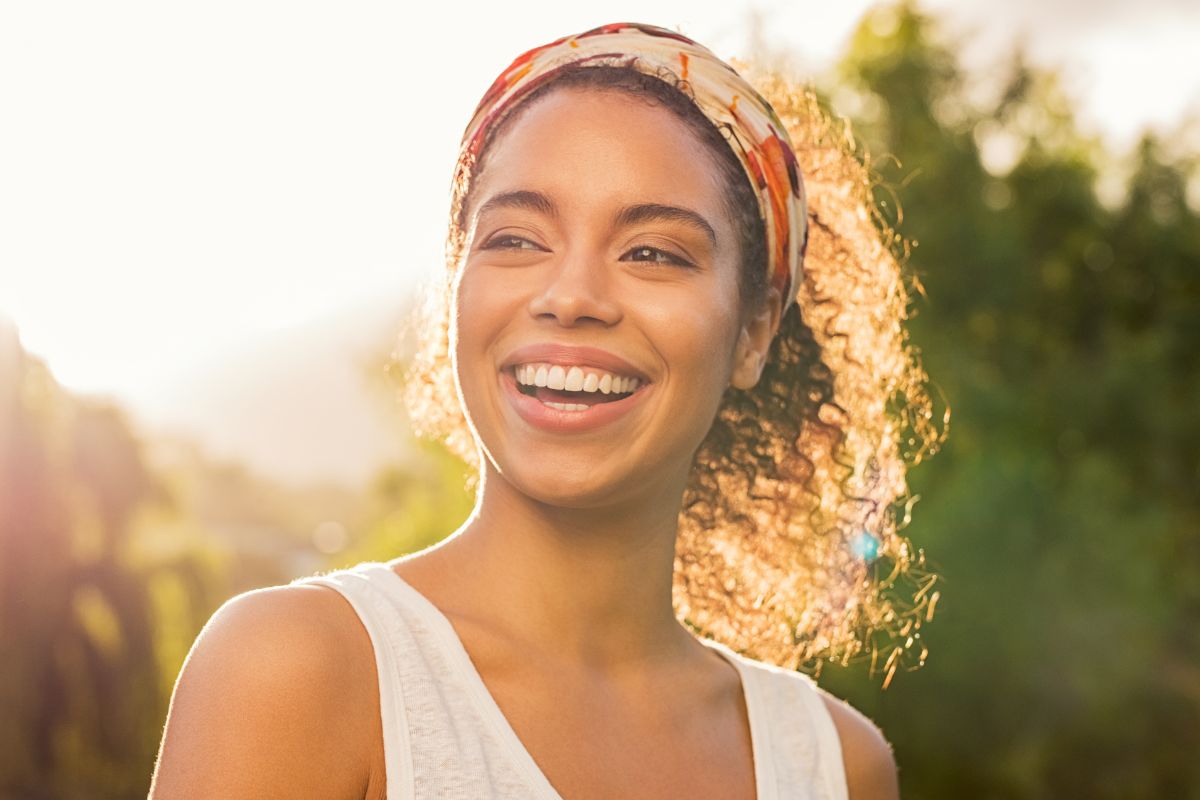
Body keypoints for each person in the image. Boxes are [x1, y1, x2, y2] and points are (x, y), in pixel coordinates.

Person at [150, 21, 941, 800]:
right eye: (517, 240)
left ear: (754, 331)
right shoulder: (296, 671)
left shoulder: (835, 766)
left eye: (653, 252)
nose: (571, 297)